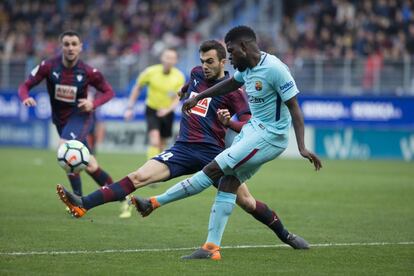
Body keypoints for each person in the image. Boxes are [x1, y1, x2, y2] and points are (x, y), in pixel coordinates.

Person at [56, 40, 310, 250]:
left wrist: (229, 123)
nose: (204, 66)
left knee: (247, 202)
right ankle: (82, 203)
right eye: (202, 61)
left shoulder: (234, 91)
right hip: (183, 149)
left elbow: (248, 123)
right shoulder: (196, 74)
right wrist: (184, 91)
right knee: (137, 176)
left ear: (223, 62)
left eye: (210, 61)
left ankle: (285, 235)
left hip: (214, 155)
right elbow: (191, 87)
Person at [176, 26, 323, 260]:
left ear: (244, 47)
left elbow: (294, 107)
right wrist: (200, 96)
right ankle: (284, 237)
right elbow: (229, 84)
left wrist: (302, 147)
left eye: (232, 51)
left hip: (268, 137)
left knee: (217, 172)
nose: (231, 57)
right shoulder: (248, 69)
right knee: (233, 187)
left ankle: (156, 203)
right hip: (252, 134)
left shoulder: (275, 69)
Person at [18, 30, 115, 197]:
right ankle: (120, 195)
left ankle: (76, 199)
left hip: (80, 116)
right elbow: (24, 86)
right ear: (61, 47)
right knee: (91, 166)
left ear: (80, 48)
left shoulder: (88, 71)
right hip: (60, 121)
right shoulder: (48, 66)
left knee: (66, 149)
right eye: (67, 44)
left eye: (74, 44)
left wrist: (93, 104)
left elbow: (108, 92)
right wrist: (25, 97)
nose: (70, 48)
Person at [120, 48, 185, 217]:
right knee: (155, 141)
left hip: (167, 113)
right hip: (152, 110)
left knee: (162, 144)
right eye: (166, 57)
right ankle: (149, 173)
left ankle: (155, 170)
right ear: (162, 58)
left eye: (172, 58)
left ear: (175, 60)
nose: (169, 60)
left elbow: (177, 98)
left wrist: (168, 110)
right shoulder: (150, 72)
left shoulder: (179, 76)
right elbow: (137, 87)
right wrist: (129, 107)